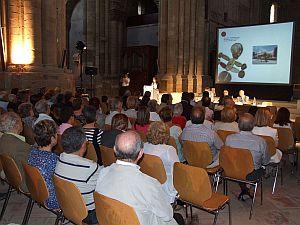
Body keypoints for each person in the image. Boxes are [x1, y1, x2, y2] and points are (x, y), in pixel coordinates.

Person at [95, 131, 180, 225]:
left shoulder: (103, 173)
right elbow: (167, 215)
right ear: (140, 153)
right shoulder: (149, 183)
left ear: (114, 150)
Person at [55, 126, 100, 225]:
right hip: (89, 215)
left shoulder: (60, 159)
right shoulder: (90, 167)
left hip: (68, 206)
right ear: (83, 145)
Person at [226, 113, 270, 200]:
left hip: (233, 170)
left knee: (241, 166)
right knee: (260, 167)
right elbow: (265, 161)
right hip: (252, 174)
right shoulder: (260, 141)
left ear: (238, 125)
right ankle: (247, 187)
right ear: (253, 125)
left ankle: (245, 188)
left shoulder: (229, 138)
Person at [28, 120, 59, 209]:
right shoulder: (53, 160)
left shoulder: (32, 152)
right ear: (53, 139)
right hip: (52, 200)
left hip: (37, 193)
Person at [0, 112, 30, 191]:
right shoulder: (21, 146)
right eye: (20, 121)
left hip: (9, 176)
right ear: (16, 125)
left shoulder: (2, 139)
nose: (22, 123)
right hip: (24, 183)